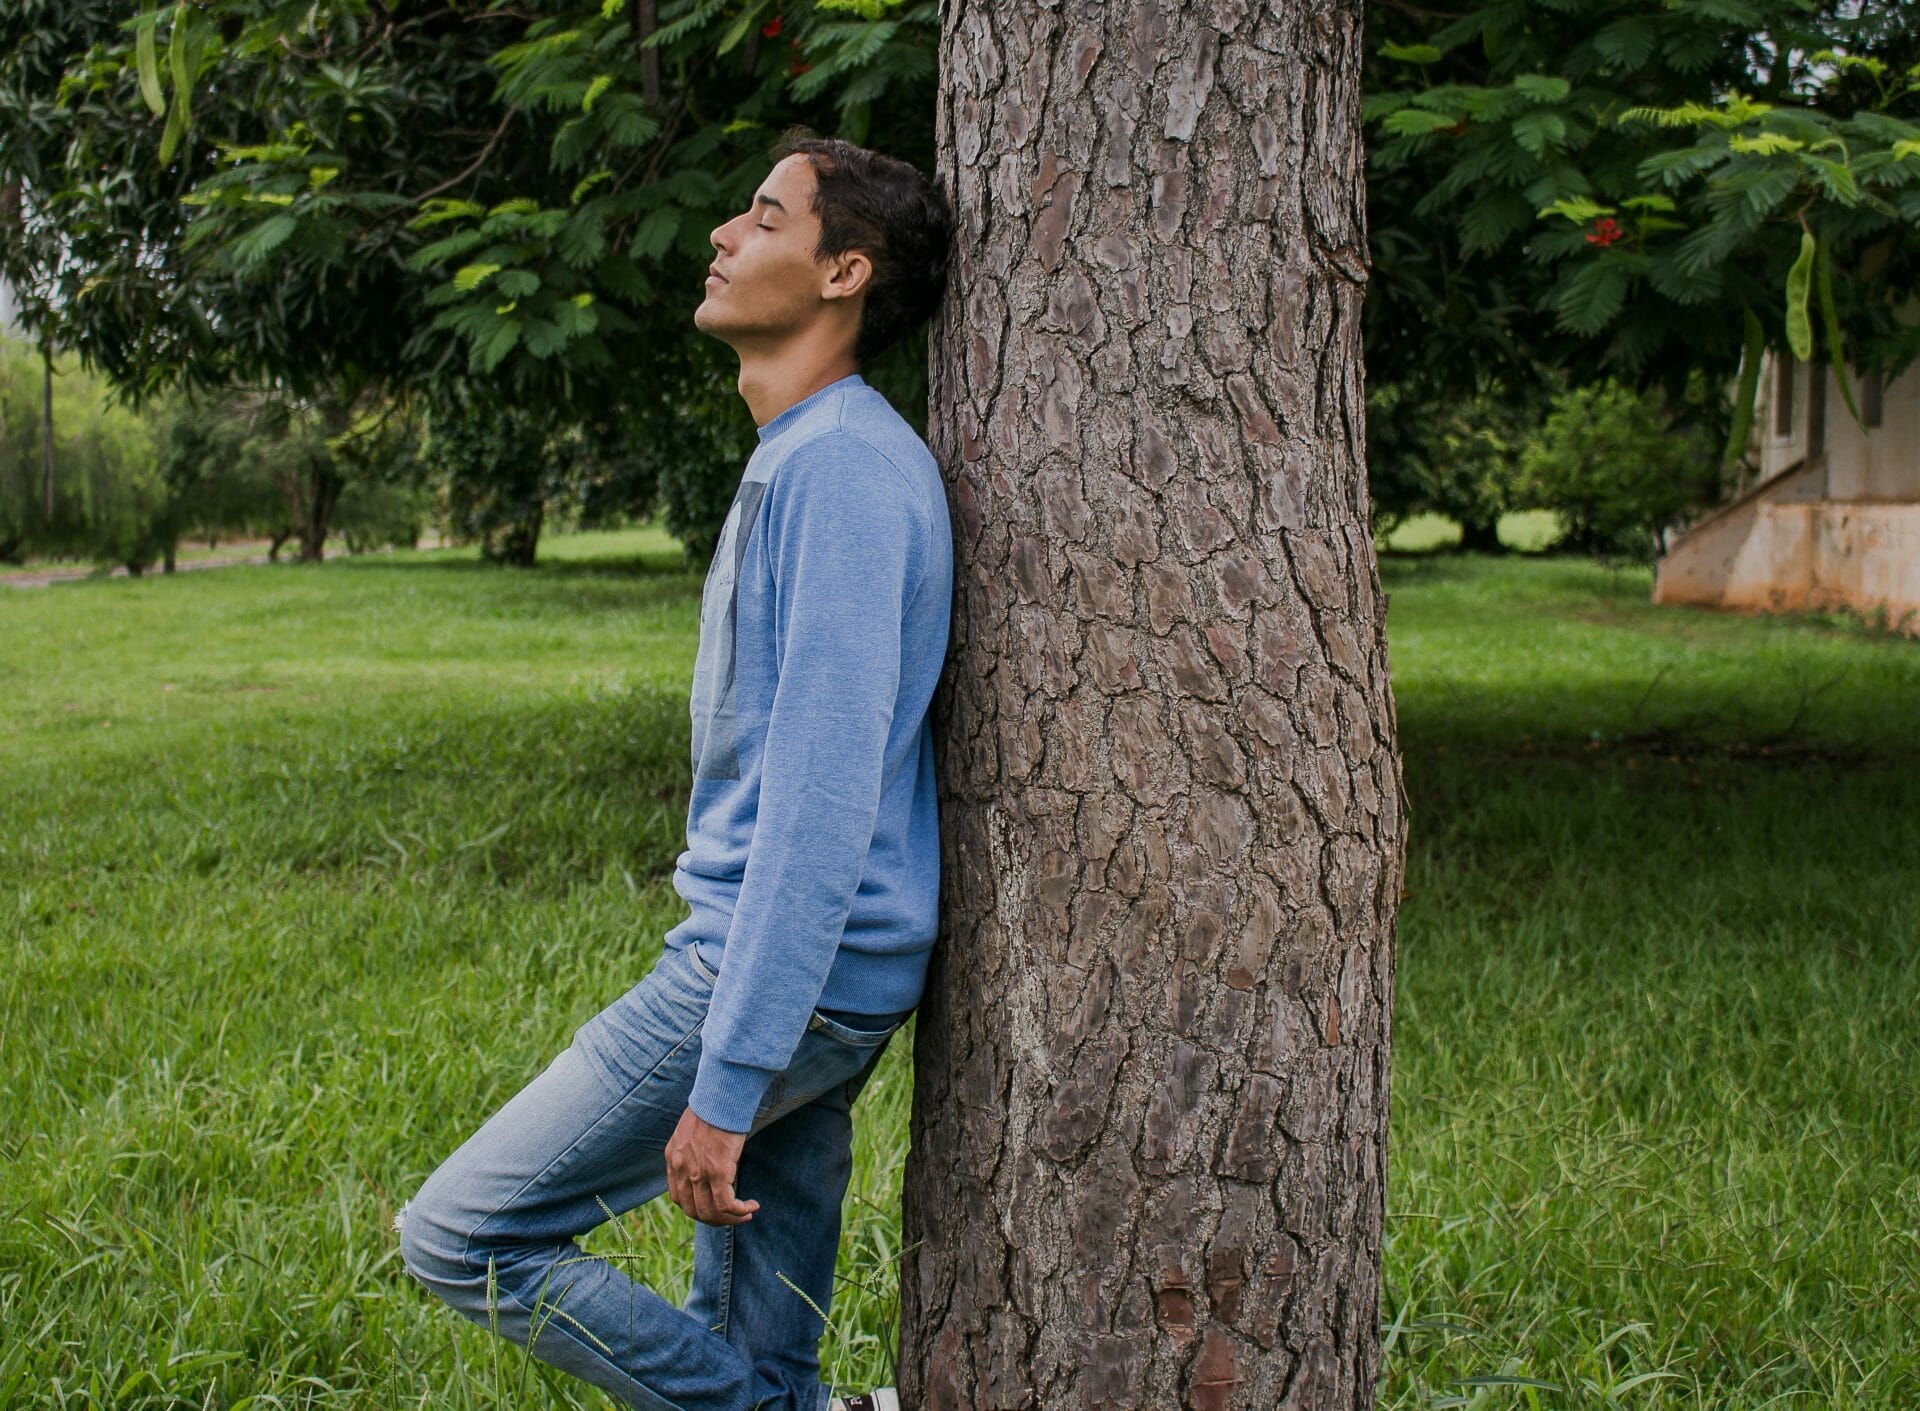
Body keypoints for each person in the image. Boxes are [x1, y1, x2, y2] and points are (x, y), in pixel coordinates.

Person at [396, 126, 954, 1411]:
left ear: (843, 274)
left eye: (764, 216)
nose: (722, 232)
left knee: (463, 1235)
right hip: (811, 964)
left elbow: (817, 807)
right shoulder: (807, 457)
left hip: (779, 971)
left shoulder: (847, 476)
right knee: (757, 1341)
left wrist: (730, 1074)